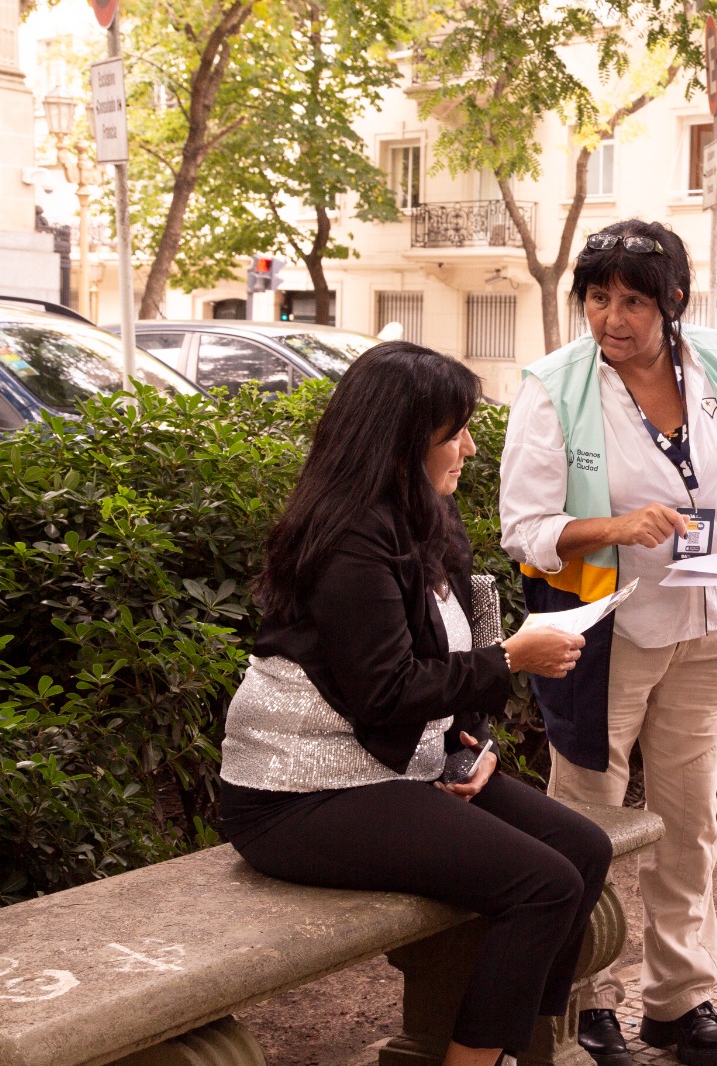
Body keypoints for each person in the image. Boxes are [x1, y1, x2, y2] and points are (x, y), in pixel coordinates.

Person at [217, 342, 613, 1066]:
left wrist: (476, 746)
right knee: (542, 885)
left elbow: (448, 659)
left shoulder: (425, 521)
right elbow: (388, 689)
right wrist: (511, 661)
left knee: (582, 849)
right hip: (300, 794)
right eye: (453, 432)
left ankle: (523, 1047)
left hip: (396, 764)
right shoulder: (349, 542)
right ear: (402, 445)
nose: (468, 446)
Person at [499, 219, 717, 1066]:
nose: (612, 318)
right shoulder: (554, 387)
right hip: (605, 634)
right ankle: (588, 1000)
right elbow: (524, 529)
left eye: (632, 300)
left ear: (674, 303)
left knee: (691, 824)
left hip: (705, 619)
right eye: (597, 297)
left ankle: (678, 1000)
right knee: (587, 821)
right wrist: (617, 526)